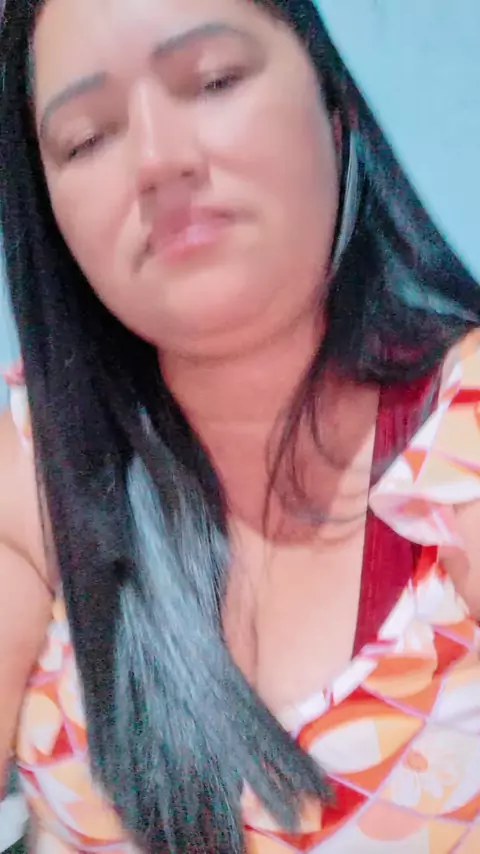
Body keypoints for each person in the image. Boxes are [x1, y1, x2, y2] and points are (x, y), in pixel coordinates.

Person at [1, 0, 480, 851]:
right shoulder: (32, 460)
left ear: (334, 105)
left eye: (215, 81)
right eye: (87, 138)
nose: (158, 159)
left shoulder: (461, 429)